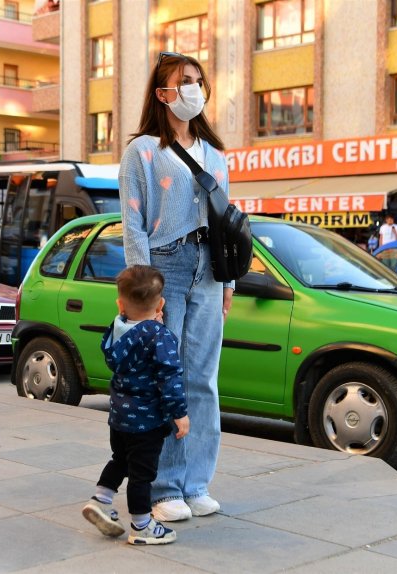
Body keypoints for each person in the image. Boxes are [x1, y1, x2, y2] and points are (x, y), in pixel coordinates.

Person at [118, 51, 232, 522]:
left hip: (210, 267)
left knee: (203, 380)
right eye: (184, 81)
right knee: (168, 377)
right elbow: (133, 224)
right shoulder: (142, 151)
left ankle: (196, 482)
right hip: (166, 265)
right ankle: (165, 488)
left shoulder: (216, 155)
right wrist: (145, 293)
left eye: (198, 81)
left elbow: (227, 221)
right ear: (162, 92)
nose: (193, 89)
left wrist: (228, 282)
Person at [82, 265, 189, 545]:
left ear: (120, 303)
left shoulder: (116, 330)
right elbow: (170, 376)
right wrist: (179, 413)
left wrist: (150, 321)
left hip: (119, 417)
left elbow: (133, 337)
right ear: (161, 303)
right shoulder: (159, 335)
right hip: (147, 421)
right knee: (142, 474)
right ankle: (142, 526)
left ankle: (101, 499)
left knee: (120, 460)